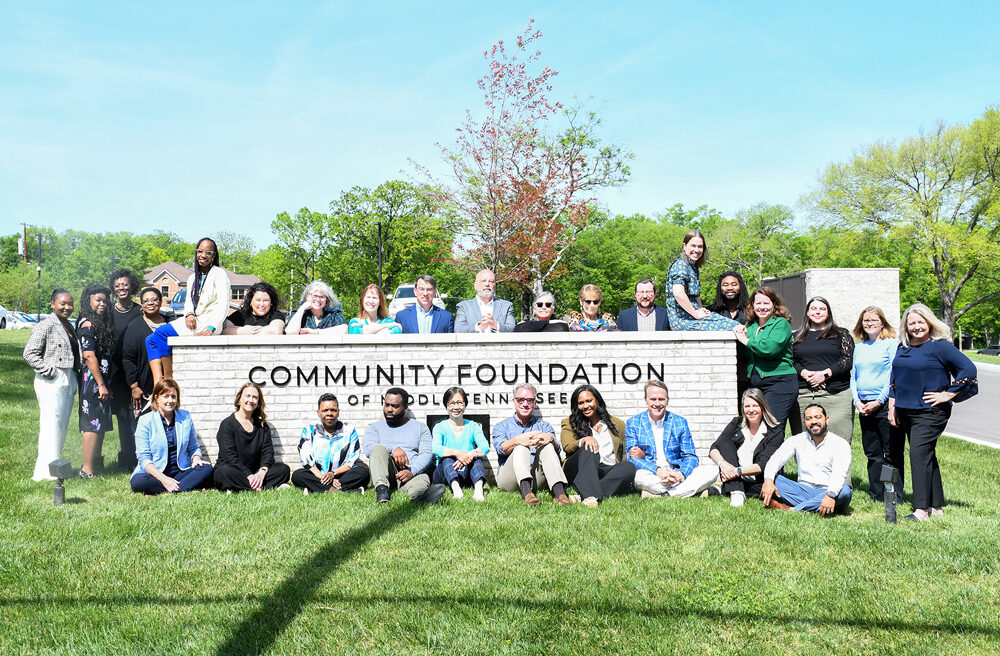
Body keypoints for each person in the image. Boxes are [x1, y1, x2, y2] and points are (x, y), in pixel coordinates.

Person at [888, 303, 978, 521]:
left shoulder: (940, 346)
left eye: (921, 322)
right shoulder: (903, 347)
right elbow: (895, 378)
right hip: (906, 410)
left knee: (918, 454)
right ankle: (936, 506)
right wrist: (892, 406)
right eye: (912, 323)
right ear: (906, 326)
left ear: (929, 322)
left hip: (931, 412)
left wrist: (948, 394)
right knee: (926, 455)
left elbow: (969, 370)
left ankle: (921, 510)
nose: (917, 327)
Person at [146, 238, 231, 383]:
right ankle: (158, 382)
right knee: (150, 340)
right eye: (200, 251)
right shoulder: (192, 277)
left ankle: (168, 379)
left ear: (214, 255)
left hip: (209, 324)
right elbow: (188, 303)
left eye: (208, 252)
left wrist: (211, 328)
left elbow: (224, 305)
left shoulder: (219, 274)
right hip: (194, 321)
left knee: (160, 334)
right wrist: (189, 314)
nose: (203, 255)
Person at [625, 380, 719, 498]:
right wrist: (658, 470)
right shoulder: (633, 423)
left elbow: (690, 456)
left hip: (676, 473)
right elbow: (632, 459)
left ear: (667, 400)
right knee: (640, 477)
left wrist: (681, 474)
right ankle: (687, 491)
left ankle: (663, 494)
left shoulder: (680, 422)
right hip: (652, 473)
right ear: (646, 400)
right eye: (653, 399)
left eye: (661, 399)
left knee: (713, 471)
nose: (657, 403)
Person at [23, 288, 80, 481]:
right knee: (50, 424)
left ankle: (55, 466)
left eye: (70, 304)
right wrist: (50, 372)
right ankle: (44, 472)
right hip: (52, 379)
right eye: (62, 303)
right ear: (52, 304)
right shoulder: (45, 325)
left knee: (61, 425)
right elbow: (29, 353)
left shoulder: (69, 326)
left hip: (69, 378)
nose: (67, 307)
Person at [849, 306, 903, 502]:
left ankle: (893, 494)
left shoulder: (890, 344)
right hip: (863, 405)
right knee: (872, 452)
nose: (869, 323)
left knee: (890, 452)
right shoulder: (860, 346)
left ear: (882, 323)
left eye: (874, 320)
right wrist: (857, 401)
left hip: (885, 403)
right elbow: (853, 375)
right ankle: (876, 494)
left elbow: (892, 375)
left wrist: (879, 401)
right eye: (866, 320)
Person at [762, 404, 853, 515]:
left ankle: (793, 509)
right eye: (809, 418)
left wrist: (830, 495)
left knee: (845, 491)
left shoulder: (840, 444)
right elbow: (775, 460)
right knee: (775, 480)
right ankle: (815, 506)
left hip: (828, 490)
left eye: (818, 417)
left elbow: (839, 474)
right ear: (804, 422)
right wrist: (768, 481)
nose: (814, 421)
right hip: (802, 490)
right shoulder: (796, 440)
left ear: (827, 420)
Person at [130, 378, 214, 495]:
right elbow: (144, 458)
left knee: (207, 469)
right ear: (156, 398)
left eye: (173, 396)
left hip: (180, 471)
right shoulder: (145, 420)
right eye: (166, 396)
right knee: (138, 482)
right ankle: (179, 487)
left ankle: (169, 490)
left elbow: (193, 447)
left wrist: (196, 459)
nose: (170, 400)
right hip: (155, 473)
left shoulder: (185, 417)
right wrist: (163, 479)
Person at [492, 384, 572, 505]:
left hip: (537, 476)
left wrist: (551, 439)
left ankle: (560, 494)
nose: (525, 404)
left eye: (530, 400)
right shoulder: (502, 426)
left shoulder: (544, 426)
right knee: (520, 446)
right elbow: (500, 449)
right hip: (510, 479)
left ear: (535, 402)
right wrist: (516, 441)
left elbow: (557, 450)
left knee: (548, 444)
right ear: (514, 401)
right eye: (521, 400)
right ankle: (526, 493)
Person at [363, 387, 447, 503]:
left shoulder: (420, 428)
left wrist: (412, 471)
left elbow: (426, 454)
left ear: (405, 407)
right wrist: (392, 449)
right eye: (387, 405)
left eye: (395, 406)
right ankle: (382, 492)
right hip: (385, 474)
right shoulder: (374, 427)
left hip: (410, 474)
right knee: (377, 449)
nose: (389, 409)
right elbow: (368, 449)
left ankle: (419, 498)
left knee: (423, 479)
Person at [733, 287, 798, 434]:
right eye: (758, 303)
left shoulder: (781, 324)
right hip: (755, 383)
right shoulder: (750, 326)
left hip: (780, 382)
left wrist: (745, 340)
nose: (762, 307)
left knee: (773, 427)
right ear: (752, 305)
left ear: (774, 305)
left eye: (766, 303)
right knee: (755, 428)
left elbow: (770, 349)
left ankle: (772, 457)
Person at [790, 297, 855, 442]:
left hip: (837, 394)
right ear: (807, 312)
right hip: (804, 395)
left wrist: (825, 374)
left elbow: (848, 359)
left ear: (828, 313)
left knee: (840, 442)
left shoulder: (841, 334)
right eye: (813, 308)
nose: (817, 312)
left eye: (822, 309)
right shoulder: (796, 336)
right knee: (804, 443)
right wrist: (805, 373)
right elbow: (789, 360)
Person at [560, 385, 636, 507]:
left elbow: (623, 454)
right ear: (576, 406)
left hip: (606, 468)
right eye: (580, 403)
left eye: (589, 401)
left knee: (629, 467)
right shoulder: (569, 422)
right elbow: (567, 446)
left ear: (597, 400)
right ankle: (590, 497)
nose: (585, 406)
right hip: (579, 469)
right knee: (588, 447)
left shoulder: (618, 424)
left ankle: (583, 496)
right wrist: (583, 440)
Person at [708, 388, 784, 507]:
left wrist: (735, 471)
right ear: (743, 408)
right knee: (725, 443)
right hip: (738, 479)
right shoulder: (736, 423)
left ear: (763, 407)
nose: (751, 410)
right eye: (747, 406)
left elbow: (762, 465)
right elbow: (714, 448)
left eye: (755, 406)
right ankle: (736, 492)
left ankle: (724, 490)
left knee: (771, 491)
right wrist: (723, 465)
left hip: (760, 480)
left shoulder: (775, 431)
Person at [213, 382, 291, 492]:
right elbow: (229, 456)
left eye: (255, 397)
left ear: (258, 402)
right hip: (234, 470)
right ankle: (260, 487)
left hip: (256, 471)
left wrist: (262, 471)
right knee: (223, 473)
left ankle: (245, 487)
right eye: (247, 396)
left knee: (283, 469)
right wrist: (249, 475)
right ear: (239, 399)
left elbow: (268, 453)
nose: (251, 400)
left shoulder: (262, 426)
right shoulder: (227, 424)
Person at [291, 393, 370, 494]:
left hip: (341, 474)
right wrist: (325, 478)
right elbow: (306, 460)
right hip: (318, 475)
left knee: (363, 473)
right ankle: (342, 491)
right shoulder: (309, 431)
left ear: (338, 412)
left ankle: (317, 489)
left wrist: (333, 474)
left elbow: (352, 460)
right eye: (325, 410)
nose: (329, 413)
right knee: (297, 475)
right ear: (318, 413)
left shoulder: (349, 430)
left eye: (333, 410)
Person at [665, 230, 741, 331]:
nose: (696, 250)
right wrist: (695, 313)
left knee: (736, 325)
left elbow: (696, 296)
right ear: (684, 246)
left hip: (693, 317)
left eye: (700, 246)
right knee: (734, 326)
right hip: (683, 320)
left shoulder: (692, 267)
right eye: (693, 246)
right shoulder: (681, 265)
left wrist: (701, 309)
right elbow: (678, 293)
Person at [76, 284, 115, 478]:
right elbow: (89, 356)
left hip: (101, 380)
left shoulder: (97, 322)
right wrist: (100, 384)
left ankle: (95, 464)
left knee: (99, 422)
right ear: (88, 300)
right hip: (93, 381)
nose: (102, 303)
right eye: (98, 299)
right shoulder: (88, 324)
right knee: (92, 423)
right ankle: (87, 469)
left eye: (105, 300)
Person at [121, 287, 166, 446]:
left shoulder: (170, 323)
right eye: (146, 301)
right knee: (145, 426)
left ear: (160, 302)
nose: (151, 303)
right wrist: (134, 386)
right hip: (145, 386)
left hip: (168, 384)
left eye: (154, 299)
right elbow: (127, 358)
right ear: (141, 305)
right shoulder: (134, 327)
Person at [431, 387, 491, 501]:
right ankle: (456, 489)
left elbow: (485, 447)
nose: (456, 407)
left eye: (460, 403)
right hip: (443, 474)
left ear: (465, 405)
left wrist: (470, 455)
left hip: (466, 473)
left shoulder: (473, 426)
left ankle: (479, 491)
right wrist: (458, 454)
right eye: (451, 403)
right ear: (446, 406)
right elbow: (436, 448)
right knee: (447, 458)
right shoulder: (440, 427)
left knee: (476, 458)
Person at [108, 268, 142, 471]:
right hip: (116, 373)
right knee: (122, 416)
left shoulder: (140, 311)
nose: (121, 288)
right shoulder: (109, 312)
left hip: (136, 371)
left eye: (125, 285)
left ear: (132, 287)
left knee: (138, 416)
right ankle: (126, 456)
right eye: (117, 285)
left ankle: (141, 457)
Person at [709, 270, 751, 400]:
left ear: (741, 287)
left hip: (748, 371)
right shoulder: (712, 313)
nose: (730, 288)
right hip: (721, 370)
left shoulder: (751, 311)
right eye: (725, 285)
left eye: (734, 284)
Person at [221, 281, 286, 335]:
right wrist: (242, 331)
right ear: (250, 301)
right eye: (258, 300)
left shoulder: (276, 315)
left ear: (271, 302)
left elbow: (276, 331)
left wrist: (245, 331)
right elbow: (223, 330)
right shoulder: (240, 314)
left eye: (266, 300)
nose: (261, 304)